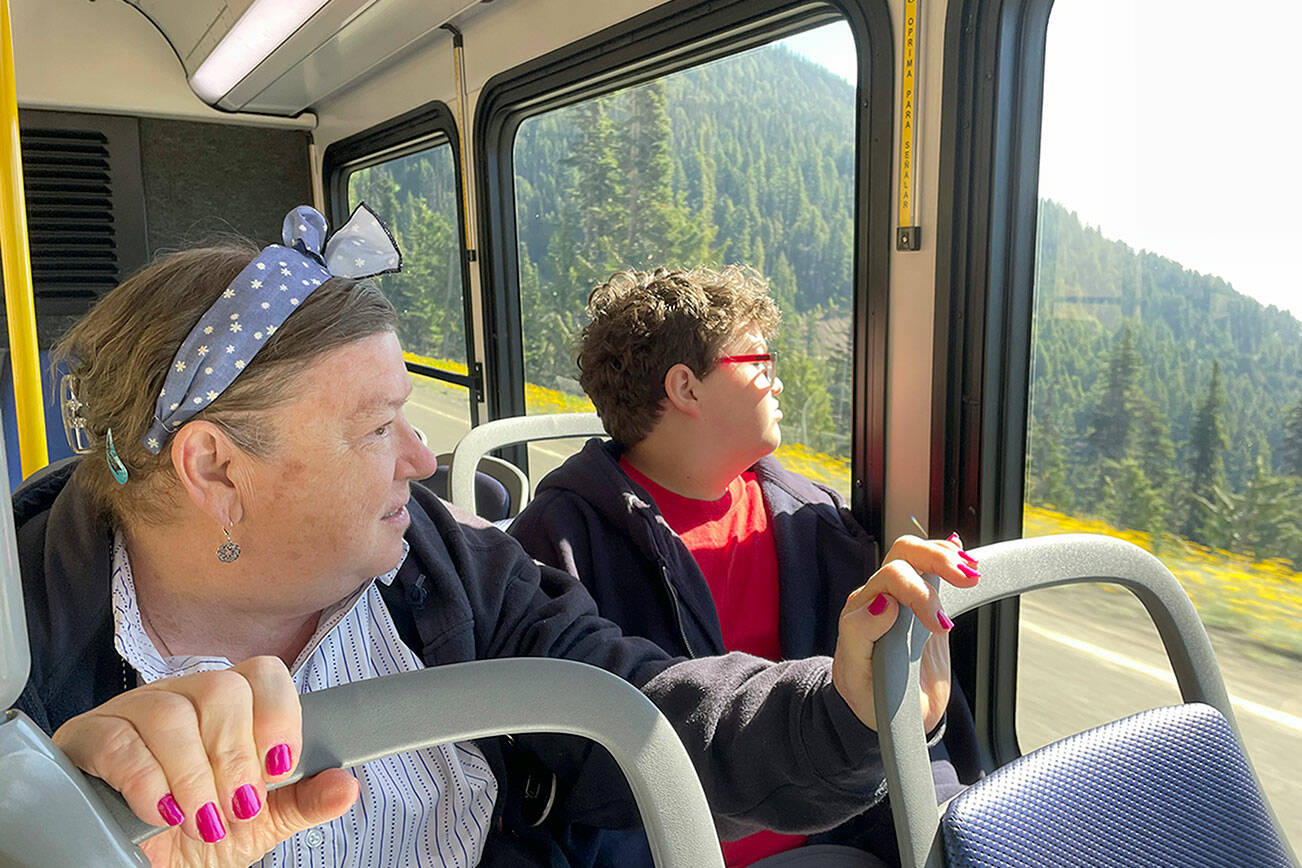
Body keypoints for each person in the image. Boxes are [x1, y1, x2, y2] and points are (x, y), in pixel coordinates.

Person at [12, 207, 975, 868]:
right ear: (216, 469)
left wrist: (847, 705)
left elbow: (639, 708)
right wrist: (60, 829)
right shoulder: (26, 663)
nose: (424, 460)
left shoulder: (452, 568)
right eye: (377, 427)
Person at [509, 265, 981, 867]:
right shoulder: (558, 545)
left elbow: (918, 741)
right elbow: (566, 767)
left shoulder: (815, 521)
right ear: (686, 388)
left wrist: (940, 822)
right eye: (760, 361)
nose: (777, 381)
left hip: (840, 841)